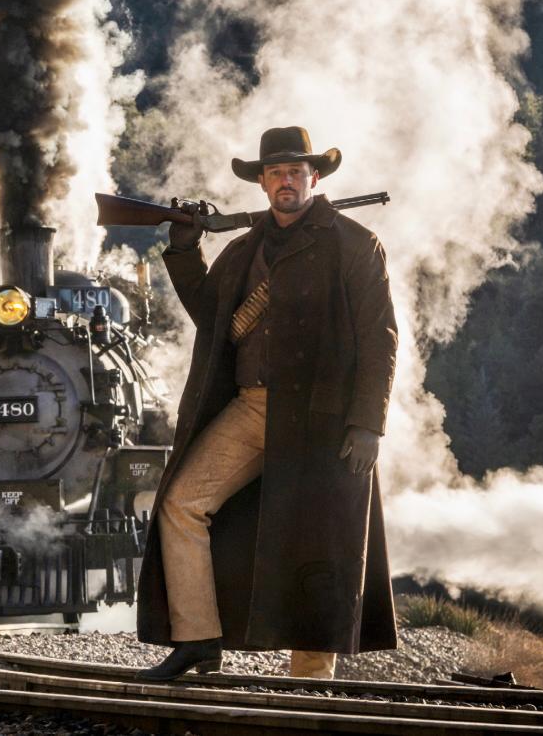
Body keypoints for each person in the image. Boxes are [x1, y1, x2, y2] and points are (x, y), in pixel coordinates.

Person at [136, 126, 398, 682]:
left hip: (323, 419)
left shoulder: (354, 243)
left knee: (318, 547)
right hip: (254, 407)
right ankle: (199, 639)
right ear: (262, 182)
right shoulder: (243, 247)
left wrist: (367, 423)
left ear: (315, 178)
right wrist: (184, 250)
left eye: (295, 171)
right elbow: (213, 315)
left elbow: (381, 338)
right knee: (181, 504)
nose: (286, 180)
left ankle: (310, 679)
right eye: (275, 172)